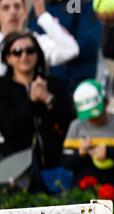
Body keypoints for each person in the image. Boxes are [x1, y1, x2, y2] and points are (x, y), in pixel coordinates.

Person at [0, 31, 75, 192]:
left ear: (37, 54)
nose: (24, 56)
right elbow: (8, 128)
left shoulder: (54, 84)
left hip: (55, 165)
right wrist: (31, 101)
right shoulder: (2, 89)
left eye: (30, 50)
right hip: (17, 170)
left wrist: (48, 99)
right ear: (8, 58)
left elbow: (71, 122)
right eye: (17, 52)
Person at [28, 0, 101, 93]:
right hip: (45, 87)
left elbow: (84, 46)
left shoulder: (76, 1)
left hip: (75, 88)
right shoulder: (39, 5)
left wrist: (47, 20)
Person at [62, 80, 114, 196]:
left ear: (106, 102)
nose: (92, 119)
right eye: (88, 115)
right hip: (82, 194)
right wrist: (80, 153)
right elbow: (66, 163)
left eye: (96, 114)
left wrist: (109, 153)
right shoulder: (76, 126)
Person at [0, 0, 79, 76]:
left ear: (25, 12)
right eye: (6, 8)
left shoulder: (37, 42)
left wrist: (42, 15)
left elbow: (71, 50)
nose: (13, 12)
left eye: (17, 6)